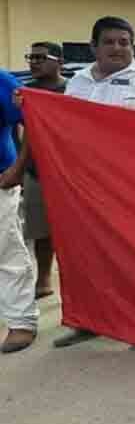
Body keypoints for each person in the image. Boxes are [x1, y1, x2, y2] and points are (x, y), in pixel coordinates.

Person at [54, 17, 135, 349]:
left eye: (124, 42)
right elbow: (63, 126)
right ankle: (88, 320)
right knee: (87, 254)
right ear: (93, 47)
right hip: (85, 185)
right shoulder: (78, 82)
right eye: (109, 42)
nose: (117, 48)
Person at [3, 43, 66, 300]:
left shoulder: (74, 89)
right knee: (39, 230)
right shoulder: (24, 91)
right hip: (35, 170)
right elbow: (22, 130)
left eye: (41, 57)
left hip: (67, 172)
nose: (34, 62)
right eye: (31, 57)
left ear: (59, 61)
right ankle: (43, 278)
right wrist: (19, 166)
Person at [0, 68, 37, 354]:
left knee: (6, 251)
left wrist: (17, 169)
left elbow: (34, 121)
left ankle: (21, 322)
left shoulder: (2, 80)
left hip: (0, 178)